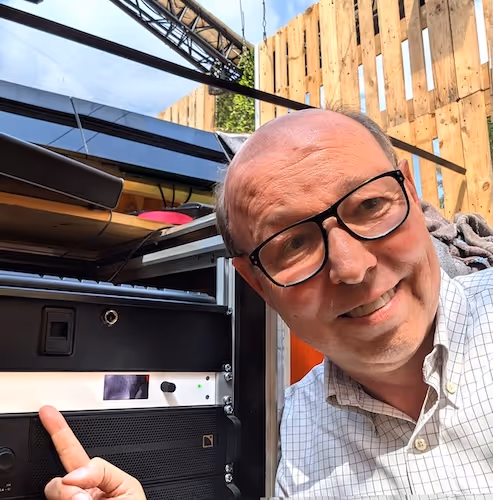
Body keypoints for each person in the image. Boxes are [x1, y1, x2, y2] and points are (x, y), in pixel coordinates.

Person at [41, 108, 493, 499]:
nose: (352, 267)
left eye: (370, 204)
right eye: (293, 244)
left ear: (411, 193)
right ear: (256, 284)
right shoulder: (297, 424)